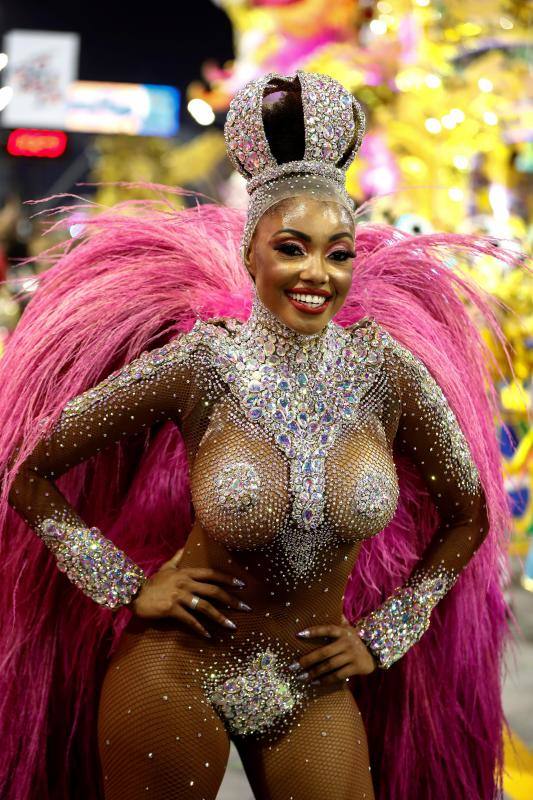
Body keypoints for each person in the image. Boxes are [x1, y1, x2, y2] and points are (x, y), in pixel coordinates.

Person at [0, 70, 516, 800]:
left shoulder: (386, 372)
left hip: (308, 681)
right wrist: (126, 586)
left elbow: (467, 515)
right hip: (177, 667)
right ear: (252, 255)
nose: (316, 273)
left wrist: (382, 634)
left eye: (338, 253)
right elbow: (30, 472)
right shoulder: (201, 365)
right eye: (292, 248)